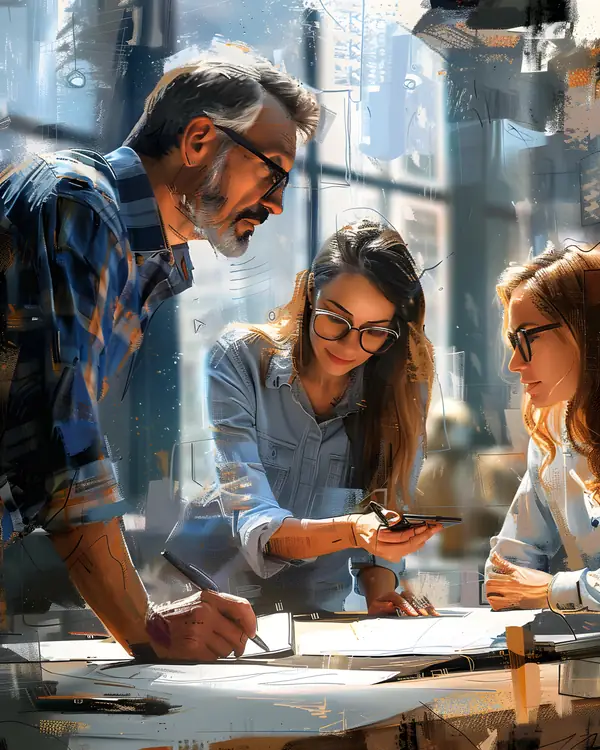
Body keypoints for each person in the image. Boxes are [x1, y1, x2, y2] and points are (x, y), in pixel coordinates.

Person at [0, 48, 320, 660]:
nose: (276, 203)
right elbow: (63, 445)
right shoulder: (79, 201)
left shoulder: (146, 254)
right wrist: (150, 632)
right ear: (199, 139)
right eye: (272, 173)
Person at [166, 221, 443, 615]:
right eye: (336, 318)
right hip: (205, 602)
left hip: (317, 615)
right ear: (311, 293)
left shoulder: (401, 387)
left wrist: (381, 591)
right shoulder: (239, 359)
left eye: (374, 331)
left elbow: (386, 507)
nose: (350, 346)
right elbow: (256, 522)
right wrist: (353, 531)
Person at [485, 245, 600, 613]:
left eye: (528, 337)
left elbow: (532, 586)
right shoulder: (551, 434)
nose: (514, 363)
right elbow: (506, 572)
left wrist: (554, 590)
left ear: (586, 330)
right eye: (511, 342)